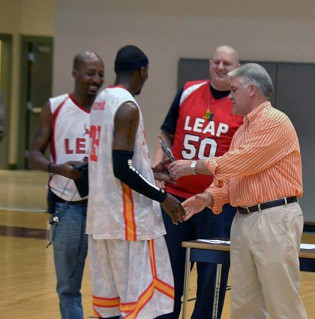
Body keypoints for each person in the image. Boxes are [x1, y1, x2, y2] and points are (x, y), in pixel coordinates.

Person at [168, 63, 308, 319]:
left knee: (282, 302)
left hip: (274, 217)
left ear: (252, 89)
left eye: (234, 90)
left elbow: (240, 162)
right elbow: (232, 178)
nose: (229, 96)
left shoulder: (275, 121)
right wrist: (206, 198)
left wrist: (193, 166)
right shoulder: (243, 130)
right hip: (243, 219)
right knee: (245, 304)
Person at [87, 45, 186, 319]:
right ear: (142, 71)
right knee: (144, 309)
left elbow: (113, 162)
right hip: (129, 224)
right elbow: (121, 168)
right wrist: (162, 196)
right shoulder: (127, 106)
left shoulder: (101, 100)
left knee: (109, 309)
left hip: (102, 221)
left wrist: (150, 170)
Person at [153, 45, 243, 319]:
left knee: (210, 278)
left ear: (236, 68)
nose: (220, 67)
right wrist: (158, 168)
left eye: (227, 63)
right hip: (175, 199)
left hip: (216, 205)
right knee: (170, 273)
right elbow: (166, 132)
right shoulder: (189, 90)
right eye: (216, 61)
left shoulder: (240, 102)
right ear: (209, 63)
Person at [28, 51, 105, 319]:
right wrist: (57, 168)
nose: (96, 80)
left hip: (104, 207)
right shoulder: (56, 106)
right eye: (90, 73)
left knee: (110, 285)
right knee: (68, 286)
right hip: (67, 206)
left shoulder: (108, 108)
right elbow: (33, 154)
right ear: (74, 73)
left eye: (100, 75)